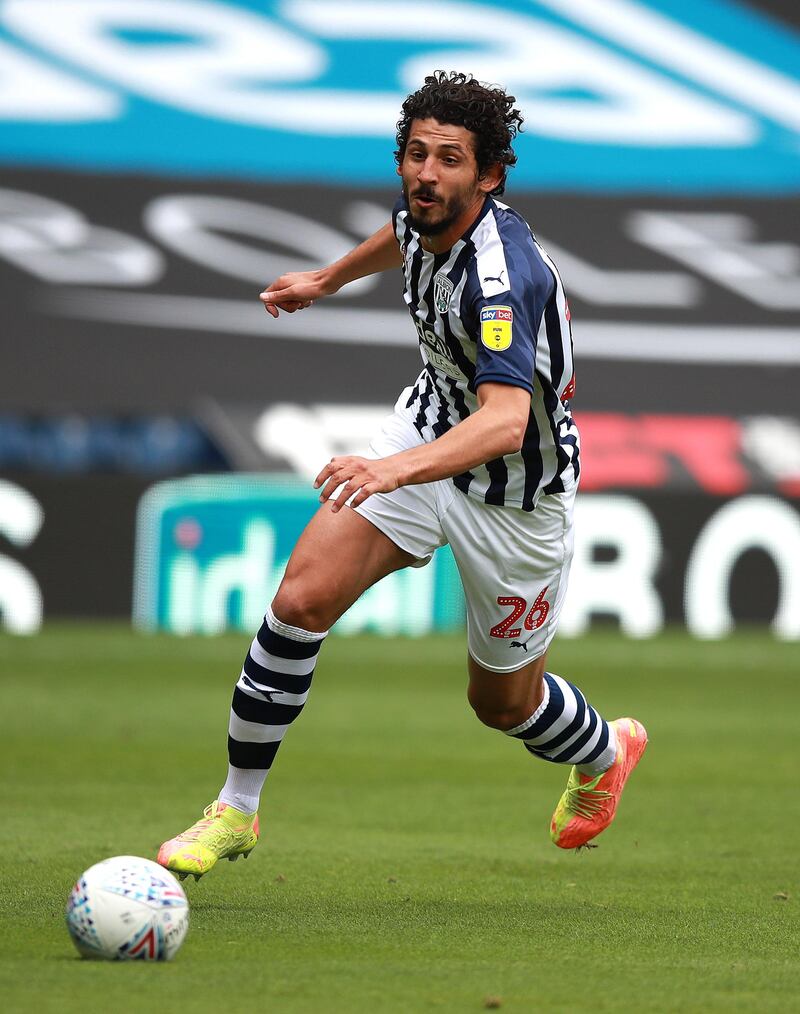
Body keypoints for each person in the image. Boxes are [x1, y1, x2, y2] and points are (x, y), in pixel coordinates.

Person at [157, 71, 647, 881]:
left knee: (502, 706)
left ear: (489, 175)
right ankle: (235, 810)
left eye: (450, 159)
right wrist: (326, 280)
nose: (426, 173)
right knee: (300, 601)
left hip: (515, 500)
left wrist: (387, 470)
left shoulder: (502, 279)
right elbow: (397, 236)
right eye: (416, 155)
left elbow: (504, 422)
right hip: (424, 438)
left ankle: (605, 752)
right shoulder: (427, 214)